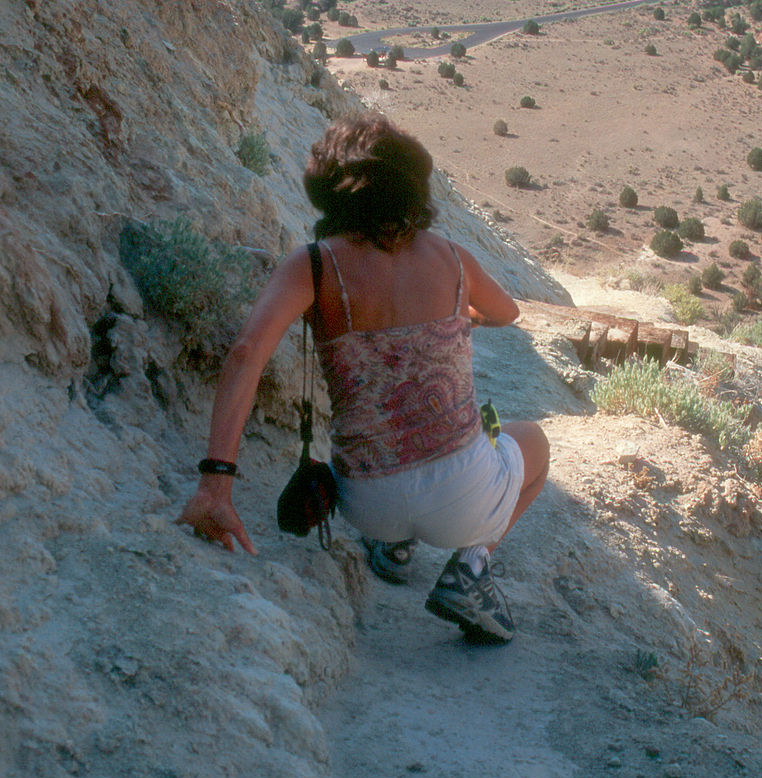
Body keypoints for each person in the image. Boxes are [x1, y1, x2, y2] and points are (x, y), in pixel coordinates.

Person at [177, 114, 549, 643]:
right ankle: (471, 571)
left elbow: (246, 352)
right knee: (531, 439)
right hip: (461, 502)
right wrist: (457, 317)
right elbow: (508, 312)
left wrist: (216, 484)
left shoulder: (314, 266)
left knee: (388, 467)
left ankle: (393, 548)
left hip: (367, 503)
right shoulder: (451, 256)